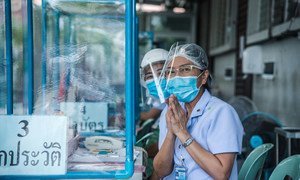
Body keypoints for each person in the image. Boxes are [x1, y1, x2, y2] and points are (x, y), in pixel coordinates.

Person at [153, 43, 244, 179]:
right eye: (171, 72)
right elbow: (160, 171)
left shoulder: (221, 113)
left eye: (185, 70)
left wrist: (182, 133)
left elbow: (222, 174)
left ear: (204, 76)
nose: (177, 77)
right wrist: (171, 133)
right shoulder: (172, 111)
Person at [140, 48, 169, 123]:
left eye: (161, 73)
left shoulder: (182, 103)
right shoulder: (162, 101)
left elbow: (148, 116)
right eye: (150, 76)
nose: (156, 80)